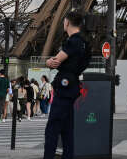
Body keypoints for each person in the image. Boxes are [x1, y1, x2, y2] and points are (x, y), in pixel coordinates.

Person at [44, 10, 89, 159]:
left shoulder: (73, 41)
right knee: (67, 129)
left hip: (64, 85)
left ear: (67, 22)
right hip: (74, 84)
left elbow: (55, 61)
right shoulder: (84, 42)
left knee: (53, 128)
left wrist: (48, 62)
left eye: (64, 21)